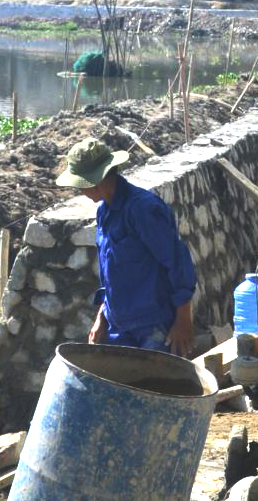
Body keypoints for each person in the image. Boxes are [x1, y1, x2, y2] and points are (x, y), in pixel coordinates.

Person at [58, 137, 197, 357]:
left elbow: (177, 262)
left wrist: (183, 320)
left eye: (81, 185)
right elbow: (110, 275)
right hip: (119, 326)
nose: (80, 192)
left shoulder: (143, 209)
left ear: (98, 180)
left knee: (155, 387)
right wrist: (101, 318)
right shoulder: (104, 212)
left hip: (154, 325)